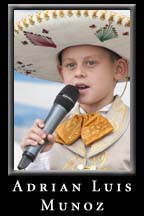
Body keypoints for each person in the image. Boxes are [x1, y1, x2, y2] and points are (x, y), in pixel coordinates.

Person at [14, 9, 131, 172]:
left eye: (91, 63)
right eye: (70, 65)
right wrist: (38, 157)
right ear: (62, 73)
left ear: (119, 69)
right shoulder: (51, 128)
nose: (78, 73)